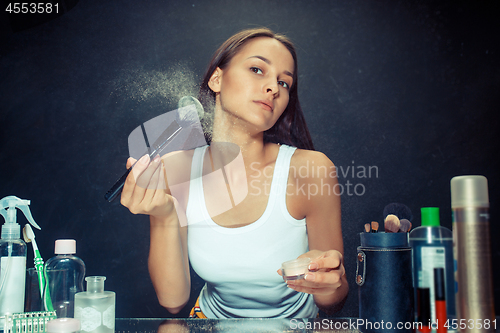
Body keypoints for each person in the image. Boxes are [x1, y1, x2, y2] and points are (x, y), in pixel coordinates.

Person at [120, 27, 348, 318]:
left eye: (284, 83)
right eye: (257, 69)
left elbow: (334, 301)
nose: (274, 88)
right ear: (217, 79)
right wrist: (165, 213)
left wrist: (330, 280)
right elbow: (173, 301)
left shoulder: (311, 169)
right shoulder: (175, 169)